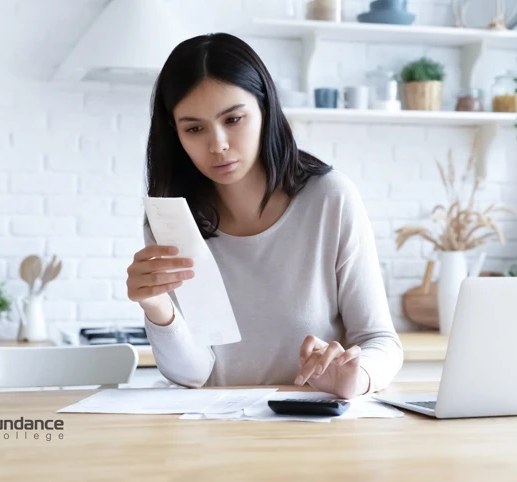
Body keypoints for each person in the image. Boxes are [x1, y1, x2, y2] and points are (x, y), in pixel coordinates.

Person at [126, 33, 403, 399]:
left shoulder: (329, 200)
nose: (218, 144)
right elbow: (196, 375)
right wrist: (156, 307)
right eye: (194, 128)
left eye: (234, 119)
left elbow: (380, 340)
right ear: (175, 134)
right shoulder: (173, 222)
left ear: (266, 109)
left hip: (315, 434)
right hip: (217, 434)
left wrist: (357, 376)